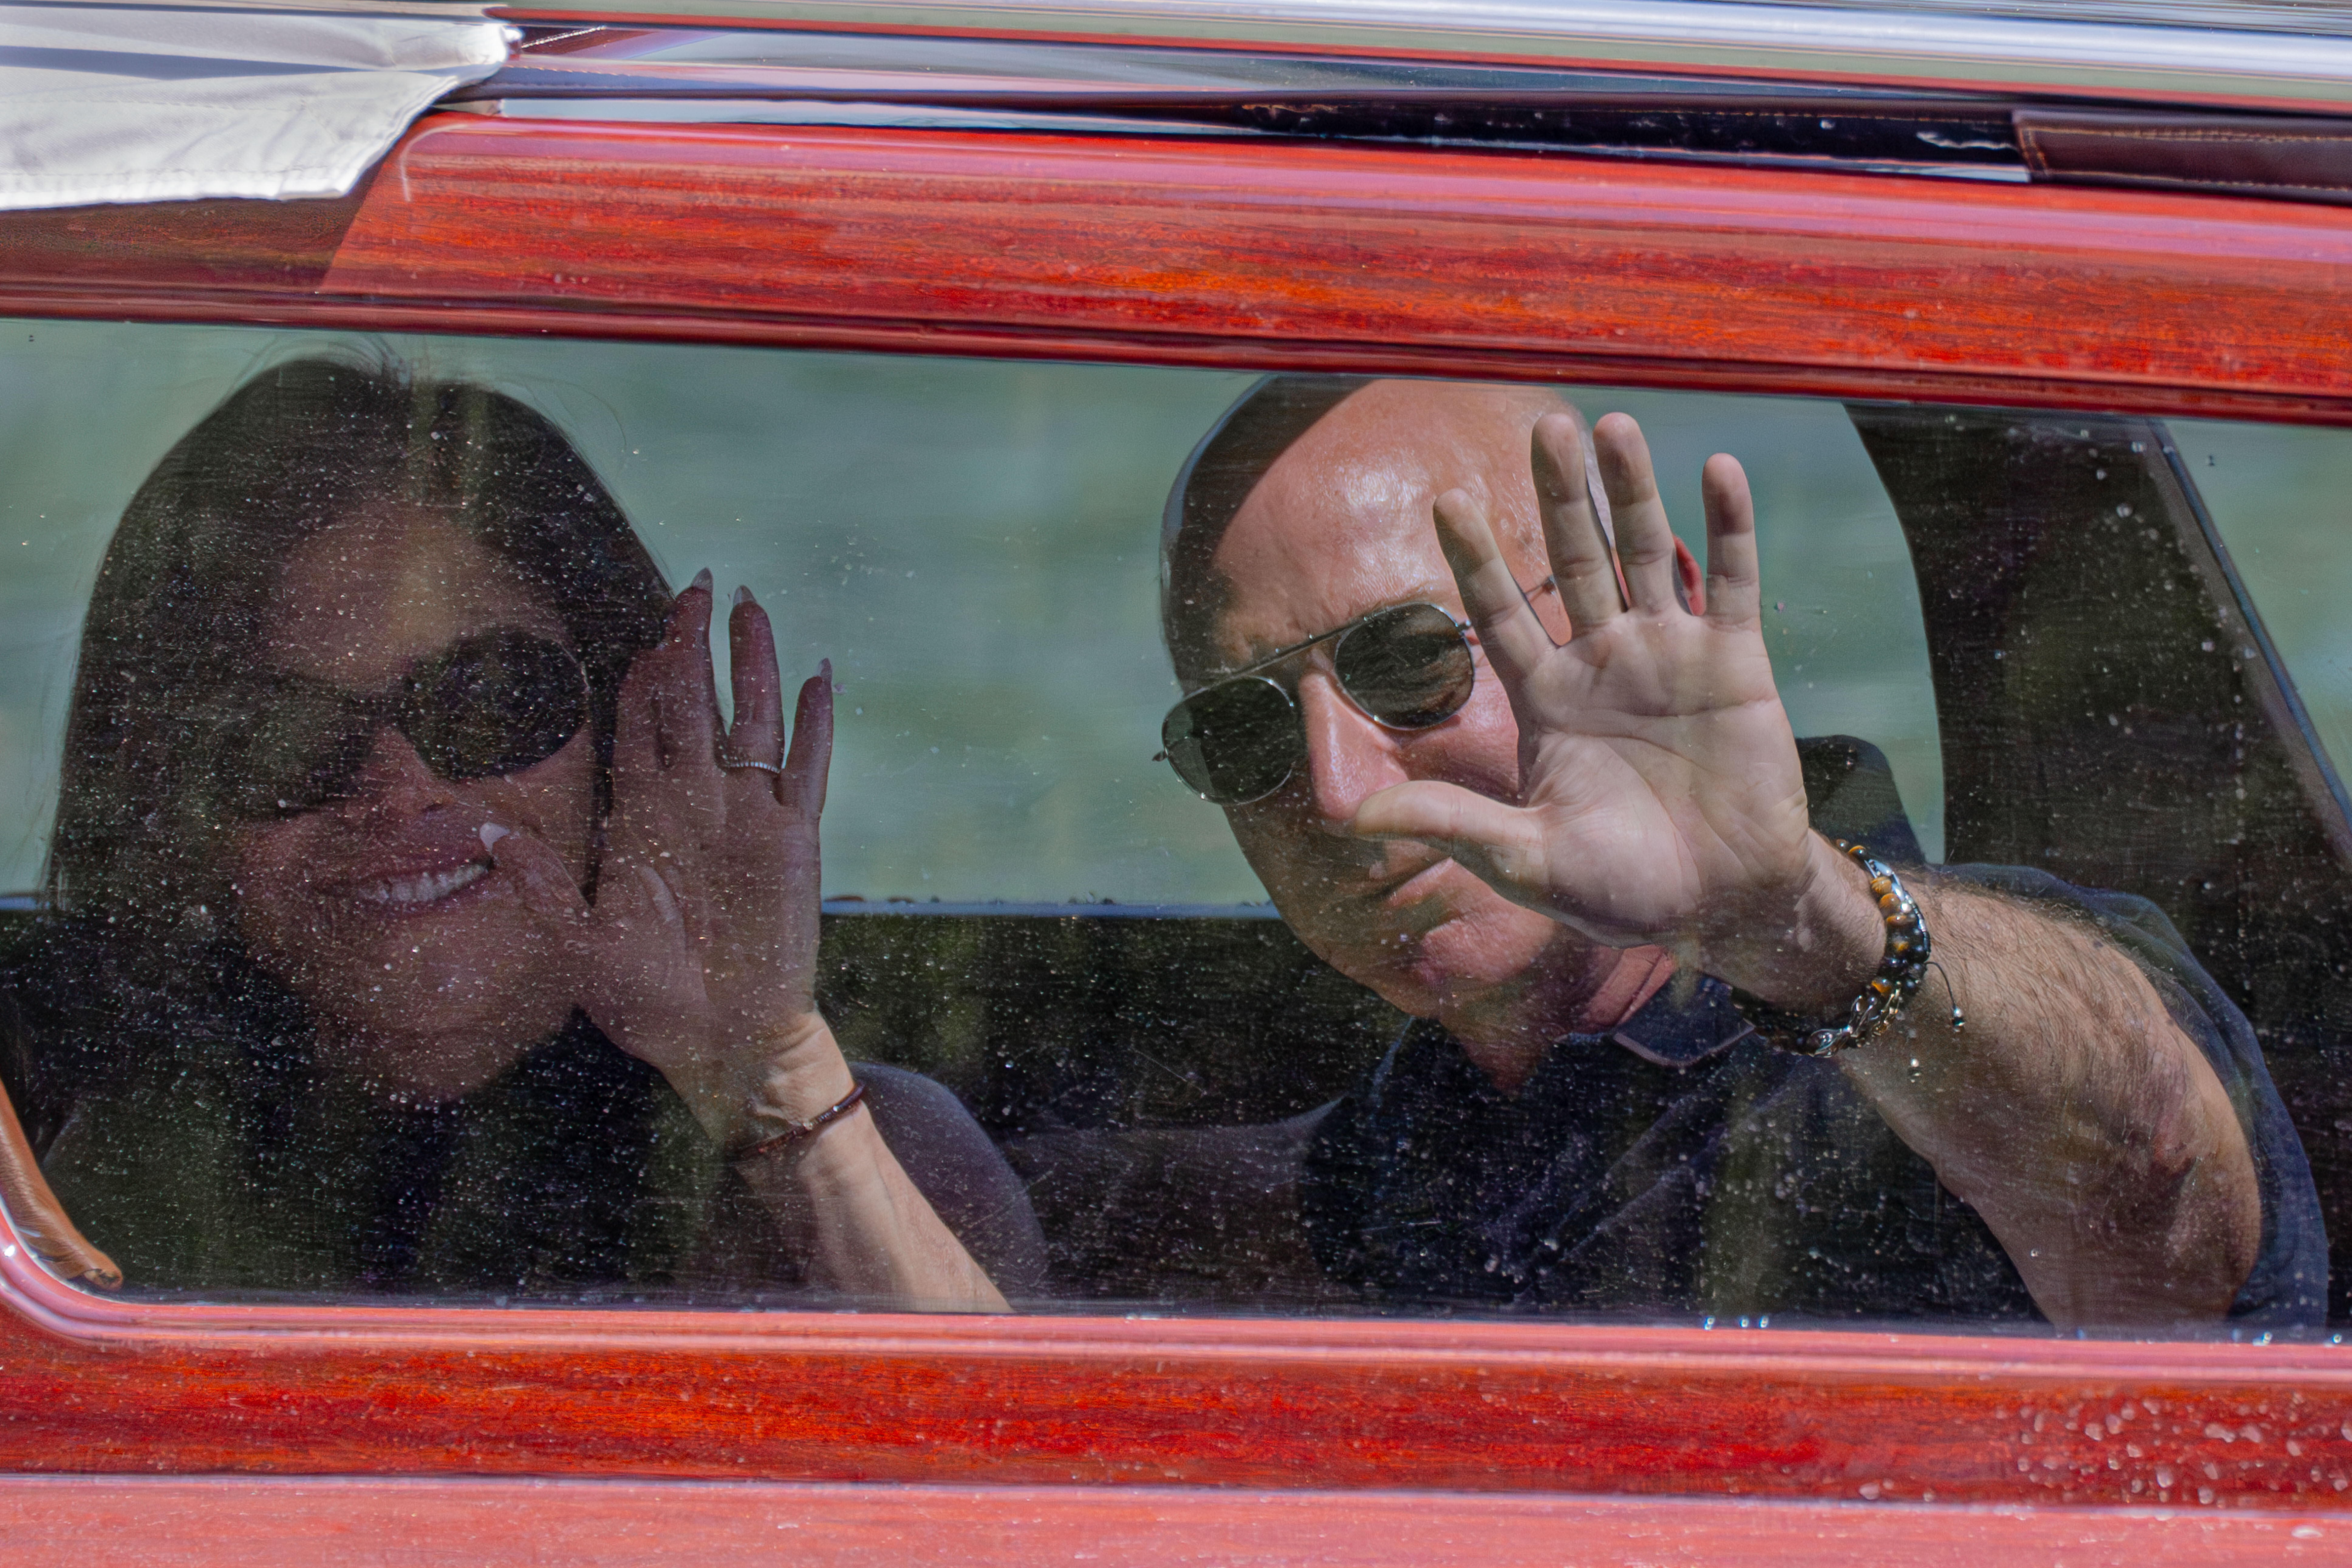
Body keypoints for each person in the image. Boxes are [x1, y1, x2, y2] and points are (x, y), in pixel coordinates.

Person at [1147, 374, 2324, 1328]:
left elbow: (2162, 1184)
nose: (1341, 793)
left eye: (1406, 662)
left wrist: (1793, 923)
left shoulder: (1888, 1046)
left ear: (1648, 613)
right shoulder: (1428, 1123)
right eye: (1241, 730)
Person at [0, 358, 1039, 1307]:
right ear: (174, 805)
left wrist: (769, 1077)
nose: (398, 788)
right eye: (285, 735)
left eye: (486, 699)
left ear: (628, 735)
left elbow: (1023, 1489)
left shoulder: (872, 1148)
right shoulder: (59, 1184)